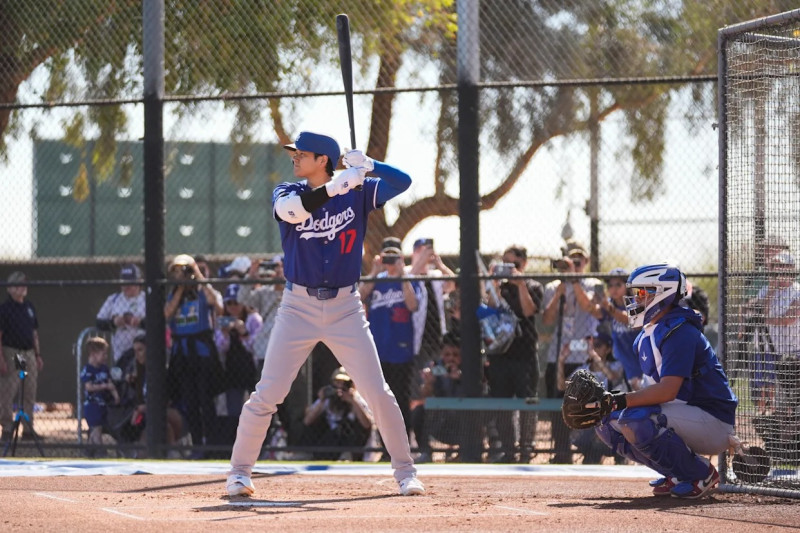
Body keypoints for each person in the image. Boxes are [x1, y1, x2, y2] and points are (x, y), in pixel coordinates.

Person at [226, 131, 424, 497]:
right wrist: (335, 187)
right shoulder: (288, 191)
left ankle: (405, 472)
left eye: (302, 154)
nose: (294, 158)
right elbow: (292, 212)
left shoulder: (359, 191)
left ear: (323, 160)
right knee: (267, 393)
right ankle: (239, 473)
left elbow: (404, 182)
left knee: (378, 393)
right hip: (297, 306)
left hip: (346, 307)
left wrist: (370, 166)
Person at [593, 263, 738, 499]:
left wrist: (620, 400)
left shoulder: (679, 331)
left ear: (662, 294)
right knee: (606, 421)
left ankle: (700, 474)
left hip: (713, 420)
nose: (634, 300)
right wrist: (610, 404)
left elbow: (668, 391)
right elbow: (655, 391)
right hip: (686, 414)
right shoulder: (649, 333)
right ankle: (677, 473)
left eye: (641, 293)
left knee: (634, 419)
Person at [542, 240, 602, 463]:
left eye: (578, 261)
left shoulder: (594, 284)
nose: (574, 265)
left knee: (587, 402)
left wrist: (574, 281)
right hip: (558, 354)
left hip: (584, 354)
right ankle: (562, 450)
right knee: (557, 405)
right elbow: (547, 321)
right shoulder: (553, 287)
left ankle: (591, 451)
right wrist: (559, 293)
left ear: (585, 262)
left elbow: (591, 309)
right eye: (570, 261)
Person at [484, 245, 543, 463]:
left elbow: (529, 311)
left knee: (528, 402)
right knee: (502, 403)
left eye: (515, 265)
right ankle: (508, 449)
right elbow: (490, 307)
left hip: (525, 353)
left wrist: (520, 284)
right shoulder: (499, 288)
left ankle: (526, 448)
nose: (511, 270)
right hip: (501, 354)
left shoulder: (533, 286)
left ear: (524, 264)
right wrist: (493, 283)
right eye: (506, 265)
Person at [165, 254, 225, 458]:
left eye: (184, 271)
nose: (181, 275)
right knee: (190, 401)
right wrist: (180, 288)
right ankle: (197, 443)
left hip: (202, 352)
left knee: (205, 400)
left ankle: (213, 444)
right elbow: (166, 314)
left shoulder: (203, 291)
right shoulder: (173, 294)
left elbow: (218, 307)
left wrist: (197, 274)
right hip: (182, 353)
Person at [359, 244, 422, 434]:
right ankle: (384, 444)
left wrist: (402, 274)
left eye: (394, 257)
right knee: (379, 397)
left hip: (401, 348)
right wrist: (374, 271)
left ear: (402, 259)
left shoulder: (410, 280)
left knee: (401, 397)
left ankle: (404, 440)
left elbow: (412, 305)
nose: (390, 262)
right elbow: (359, 296)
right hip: (378, 347)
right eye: (386, 257)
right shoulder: (376, 280)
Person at [557, 331, 624, 464]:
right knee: (590, 448)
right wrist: (561, 361)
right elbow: (561, 386)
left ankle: (620, 459)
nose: (593, 348)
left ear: (608, 349)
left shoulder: (616, 366)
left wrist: (595, 357)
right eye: (591, 345)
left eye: (597, 345)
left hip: (611, 418)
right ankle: (591, 461)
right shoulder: (582, 370)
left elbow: (612, 377)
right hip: (591, 420)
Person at [118, 335, 186, 457]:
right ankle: (170, 450)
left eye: (140, 350)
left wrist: (142, 408)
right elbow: (138, 401)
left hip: (168, 413)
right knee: (162, 428)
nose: (137, 354)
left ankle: (172, 450)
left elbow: (166, 402)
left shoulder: (162, 372)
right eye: (135, 351)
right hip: (146, 417)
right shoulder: (140, 373)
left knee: (164, 421)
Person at [0, 271, 43, 442]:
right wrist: (1, 358)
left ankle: (27, 428)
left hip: (28, 353)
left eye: (24, 284)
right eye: (18, 285)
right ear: (9, 289)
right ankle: (7, 429)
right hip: (14, 352)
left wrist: (38, 354)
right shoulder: (5, 309)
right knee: (9, 390)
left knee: (29, 390)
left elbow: (34, 334)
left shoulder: (29, 307)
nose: (23, 288)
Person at [411, 333, 465, 463]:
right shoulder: (435, 367)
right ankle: (425, 452)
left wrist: (460, 379)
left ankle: (465, 453)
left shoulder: (470, 369)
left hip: (464, 421)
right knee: (418, 410)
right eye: (447, 355)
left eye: (455, 355)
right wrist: (429, 382)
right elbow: (423, 395)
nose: (451, 358)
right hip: (441, 420)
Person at [299, 367, 374, 460]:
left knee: (346, 427)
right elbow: (307, 421)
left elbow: (367, 425)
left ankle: (348, 455)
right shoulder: (328, 398)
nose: (340, 387)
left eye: (344, 383)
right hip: (332, 438)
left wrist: (352, 401)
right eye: (337, 382)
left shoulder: (357, 398)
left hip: (352, 439)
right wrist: (322, 400)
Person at [406, 237, 456, 368]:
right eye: (421, 251)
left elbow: (452, 285)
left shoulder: (435, 275)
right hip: (415, 337)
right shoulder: (407, 271)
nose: (425, 255)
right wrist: (420, 262)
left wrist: (440, 265)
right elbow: (407, 282)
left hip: (436, 336)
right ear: (414, 254)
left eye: (428, 251)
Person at [215, 284, 262, 418]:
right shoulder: (222, 321)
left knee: (257, 410)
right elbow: (220, 348)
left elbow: (257, 347)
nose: (233, 307)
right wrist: (225, 334)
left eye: (237, 302)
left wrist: (245, 333)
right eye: (229, 303)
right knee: (234, 412)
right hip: (232, 372)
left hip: (253, 371)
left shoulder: (254, 319)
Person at [598, 268, 642, 390]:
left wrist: (610, 309)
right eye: (610, 285)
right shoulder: (609, 303)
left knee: (640, 392)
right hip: (621, 359)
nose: (614, 288)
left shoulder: (635, 302)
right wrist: (594, 302)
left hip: (638, 357)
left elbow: (632, 320)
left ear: (627, 286)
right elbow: (597, 313)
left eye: (618, 284)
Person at [96, 263, 146, 362]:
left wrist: (140, 322)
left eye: (130, 282)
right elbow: (99, 322)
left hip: (144, 354)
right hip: (121, 354)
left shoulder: (147, 299)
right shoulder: (114, 299)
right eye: (123, 282)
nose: (126, 286)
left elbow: (158, 323)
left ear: (139, 282)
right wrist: (114, 322)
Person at [80, 337, 119, 457]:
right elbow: (89, 387)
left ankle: (89, 450)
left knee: (98, 428)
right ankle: (101, 452)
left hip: (103, 405)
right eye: (103, 354)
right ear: (93, 354)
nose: (105, 357)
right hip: (92, 405)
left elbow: (111, 385)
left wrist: (115, 396)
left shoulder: (104, 369)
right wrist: (104, 386)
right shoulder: (88, 370)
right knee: (96, 429)